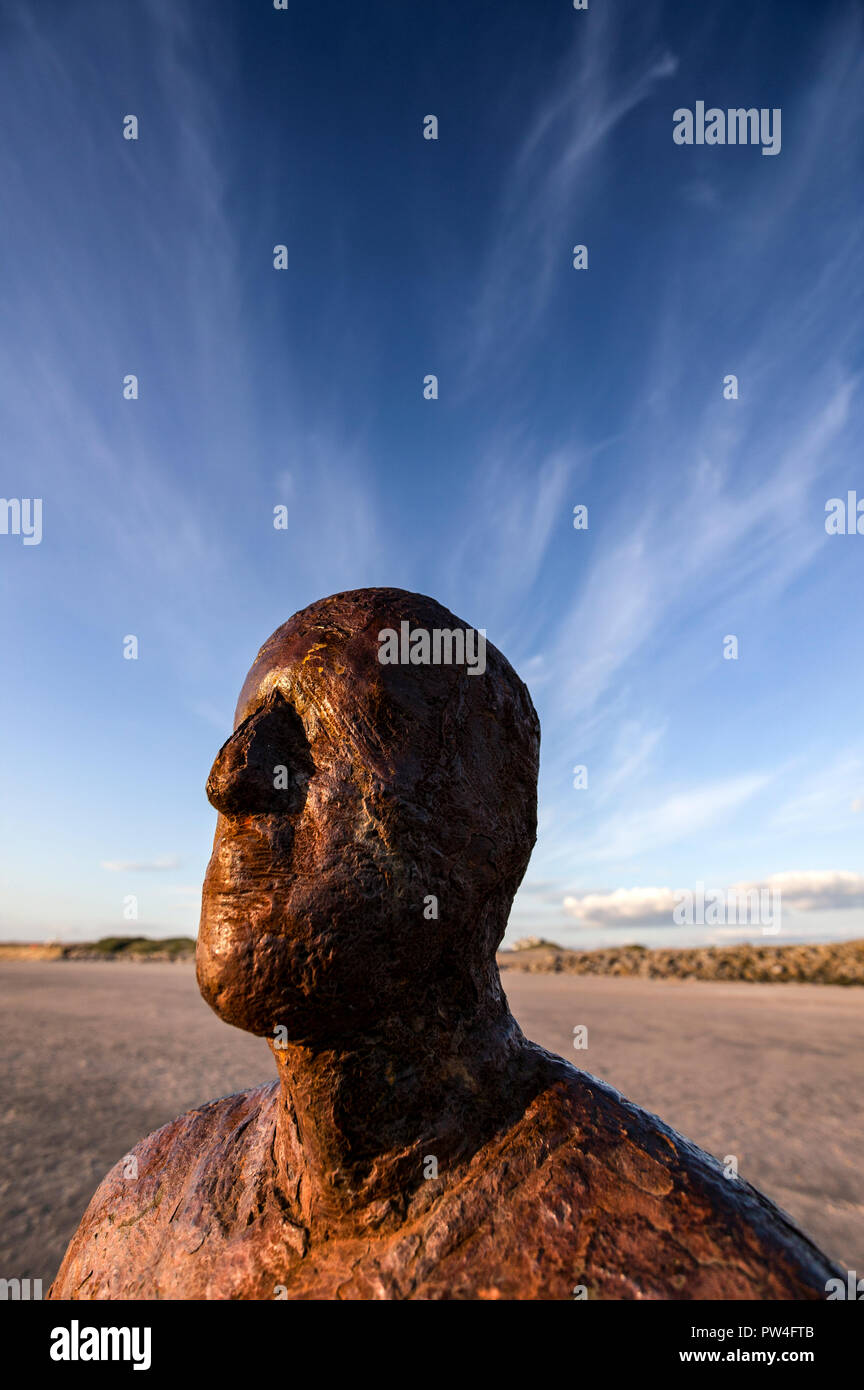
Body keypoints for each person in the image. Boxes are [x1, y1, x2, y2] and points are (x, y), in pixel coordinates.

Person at [50, 588, 838, 1300]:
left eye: (339, 724)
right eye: (245, 727)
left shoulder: (705, 1278)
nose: (230, 778)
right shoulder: (140, 1209)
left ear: (486, 828)